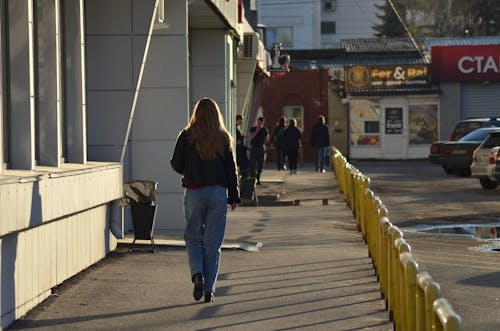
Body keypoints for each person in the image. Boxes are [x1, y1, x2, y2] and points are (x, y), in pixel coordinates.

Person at [170, 97, 241, 303]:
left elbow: (176, 164)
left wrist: (190, 170)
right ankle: (209, 289)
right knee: (213, 243)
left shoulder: (186, 135)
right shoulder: (223, 136)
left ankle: (197, 274)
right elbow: (231, 169)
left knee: (193, 237)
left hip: (194, 192)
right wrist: (234, 196)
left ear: (197, 113)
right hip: (218, 193)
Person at [248, 116, 269, 184]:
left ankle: (258, 178)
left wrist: (264, 143)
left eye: (261, 122)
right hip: (254, 147)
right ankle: (252, 178)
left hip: (261, 147)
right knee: (253, 164)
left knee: (260, 164)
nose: (259, 123)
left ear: (263, 122)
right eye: (258, 122)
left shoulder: (264, 130)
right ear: (257, 122)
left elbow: (266, 139)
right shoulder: (253, 129)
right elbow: (251, 137)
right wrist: (257, 130)